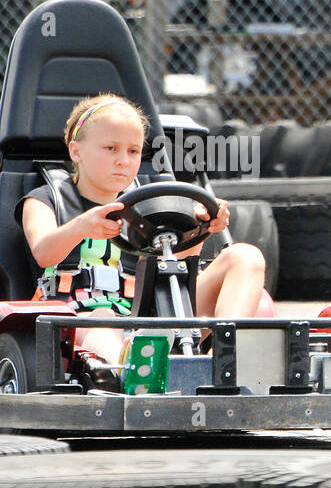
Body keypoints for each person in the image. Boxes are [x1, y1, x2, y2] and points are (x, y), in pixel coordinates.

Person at [16, 93, 266, 368]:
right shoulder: (45, 200)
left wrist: (202, 227)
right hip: (76, 318)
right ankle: (127, 372)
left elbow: (180, 267)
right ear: (76, 151)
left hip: (149, 316)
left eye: (133, 151)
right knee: (102, 317)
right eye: (111, 148)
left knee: (246, 256)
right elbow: (43, 253)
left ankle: (222, 360)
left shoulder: (151, 206)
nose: (123, 160)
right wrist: (81, 226)